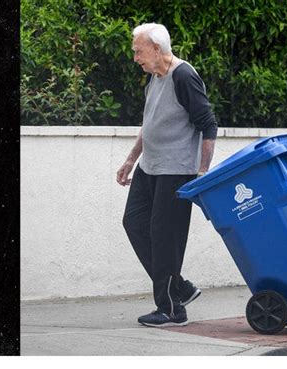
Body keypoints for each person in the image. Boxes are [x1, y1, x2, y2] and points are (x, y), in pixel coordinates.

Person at [116, 23, 218, 327]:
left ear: (157, 48)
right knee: (134, 223)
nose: (135, 57)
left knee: (165, 240)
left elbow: (208, 124)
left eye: (138, 50)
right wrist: (131, 160)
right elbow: (150, 125)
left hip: (176, 172)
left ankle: (171, 308)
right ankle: (179, 288)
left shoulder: (183, 76)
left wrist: (202, 173)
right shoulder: (154, 78)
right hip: (150, 168)